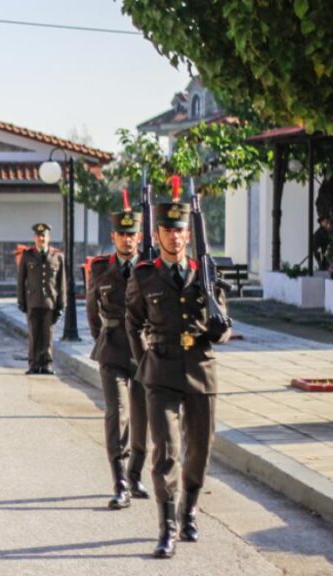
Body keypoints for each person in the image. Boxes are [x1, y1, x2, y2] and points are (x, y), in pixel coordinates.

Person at [125, 200, 232, 559]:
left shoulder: (206, 272)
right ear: (157, 234)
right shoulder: (144, 276)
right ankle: (167, 527)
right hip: (162, 370)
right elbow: (133, 322)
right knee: (166, 453)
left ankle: (189, 512)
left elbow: (224, 325)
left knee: (199, 450)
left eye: (180, 229)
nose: (175, 235)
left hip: (201, 370)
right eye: (168, 229)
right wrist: (146, 364)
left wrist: (220, 331)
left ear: (189, 233)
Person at [86, 210, 150, 510]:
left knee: (142, 417)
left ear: (139, 237)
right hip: (112, 351)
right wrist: (103, 335)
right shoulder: (101, 268)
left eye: (132, 234)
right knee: (118, 414)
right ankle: (120, 482)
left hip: (144, 353)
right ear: (113, 237)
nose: (127, 239)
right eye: (121, 234)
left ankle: (136, 475)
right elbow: (91, 308)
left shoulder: (150, 269)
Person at [17, 223, 65, 375]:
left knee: (48, 334)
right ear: (34, 237)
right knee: (34, 334)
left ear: (48, 237)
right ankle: (33, 364)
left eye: (43, 235)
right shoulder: (27, 255)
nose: (41, 238)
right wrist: (21, 301)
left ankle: (47, 364)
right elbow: (21, 280)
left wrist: (61, 304)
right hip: (33, 301)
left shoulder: (57, 256)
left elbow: (62, 282)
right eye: (38, 236)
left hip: (50, 302)